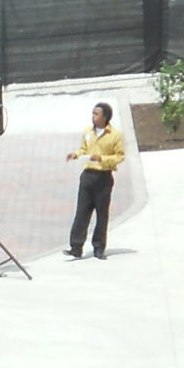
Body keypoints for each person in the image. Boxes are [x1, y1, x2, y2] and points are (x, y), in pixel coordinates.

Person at [65, 103, 125, 259]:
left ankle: (99, 247)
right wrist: (75, 154)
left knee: (101, 214)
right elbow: (83, 149)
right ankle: (76, 246)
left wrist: (103, 159)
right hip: (87, 176)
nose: (93, 117)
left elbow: (120, 156)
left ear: (105, 117)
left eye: (96, 114)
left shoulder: (115, 135)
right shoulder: (87, 132)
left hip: (103, 177)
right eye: (92, 113)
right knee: (81, 212)